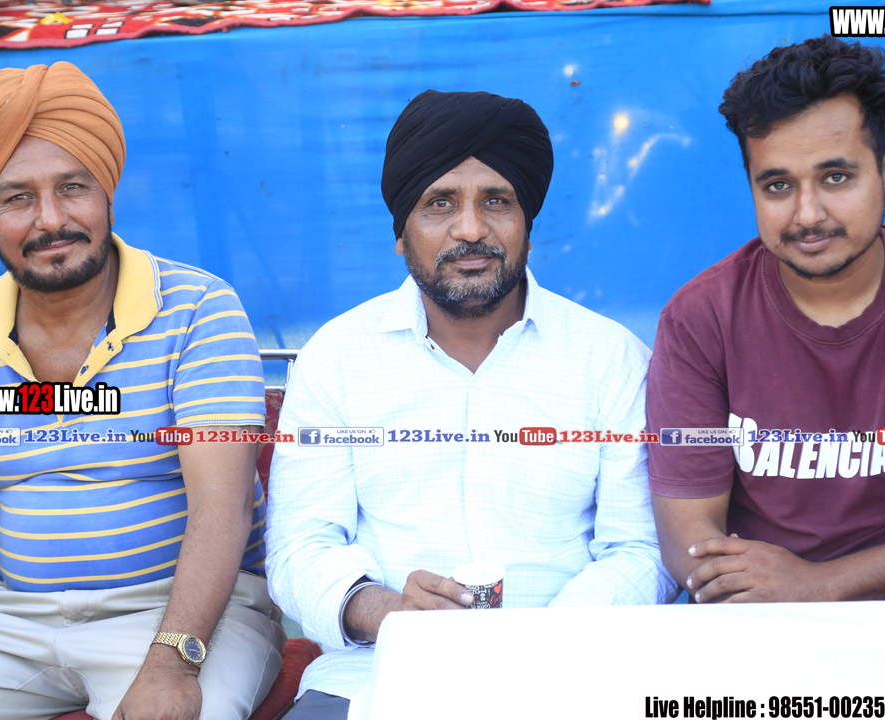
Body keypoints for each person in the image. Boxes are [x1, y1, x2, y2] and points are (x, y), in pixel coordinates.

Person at [265, 89, 677, 718]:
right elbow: (301, 544)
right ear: (400, 234)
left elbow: (642, 549)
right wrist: (386, 611)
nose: (470, 229)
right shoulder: (338, 358)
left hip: (577, 668)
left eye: (496, 201)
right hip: (374, 670)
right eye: (440, 204)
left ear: (528, 227)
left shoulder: (609, 358)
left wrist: (545, 639)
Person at [0, 62, 286, 720]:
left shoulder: (197, 311)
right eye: (17, 198)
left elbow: (224, 506)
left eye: (73, 188)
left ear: (108, 196)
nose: (51, 220)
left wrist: (172, 664)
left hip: (184, 619)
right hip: (11, 624)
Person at [647, 35, 885, 603]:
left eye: (836, 177)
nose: (807, 214)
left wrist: (822, 583)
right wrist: (778, 596)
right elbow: (690, 539)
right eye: (778, 185)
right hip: (769, 620)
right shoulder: (700, 320)